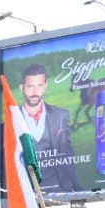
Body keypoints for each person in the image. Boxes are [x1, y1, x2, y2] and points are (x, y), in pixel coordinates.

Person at [16, 63, 79, 193]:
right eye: (30, 86)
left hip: (60, 190)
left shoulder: (61, 115)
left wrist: (74, 187)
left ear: (45, 87)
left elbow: (68, 154)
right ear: (22, 88)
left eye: (39, 85)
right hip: (27, 195)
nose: (35, 92)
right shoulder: (11, 121)